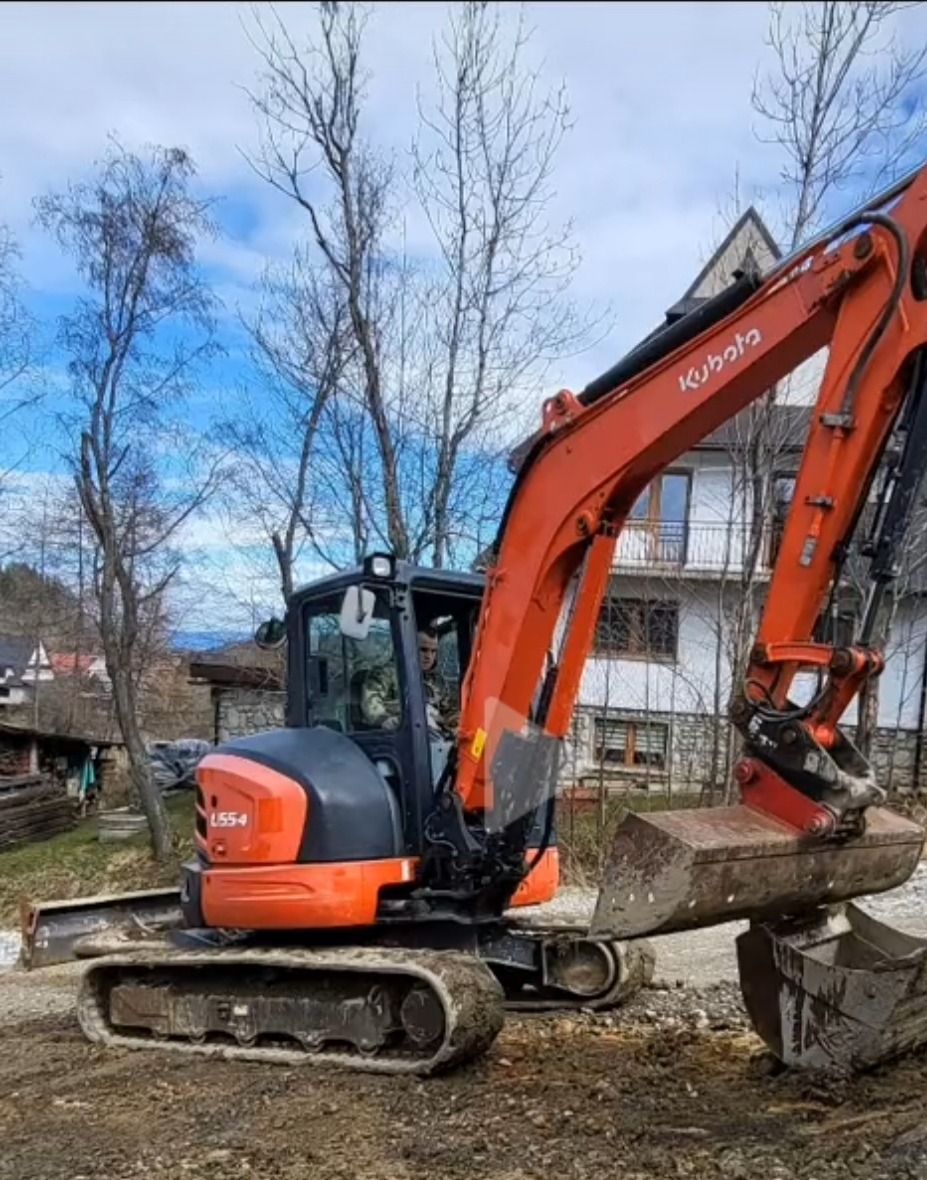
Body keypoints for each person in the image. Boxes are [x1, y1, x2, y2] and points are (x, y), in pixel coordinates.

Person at [359, 626, 458, 736]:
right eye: (423, 650)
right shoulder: (385, 674)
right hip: (397, 738)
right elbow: (371, 706)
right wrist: (389, 721)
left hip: (435, 739)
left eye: (433, 651)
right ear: (410, 647)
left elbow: (449, 710)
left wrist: (455, 722)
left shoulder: (437, 681)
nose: (429, 656)